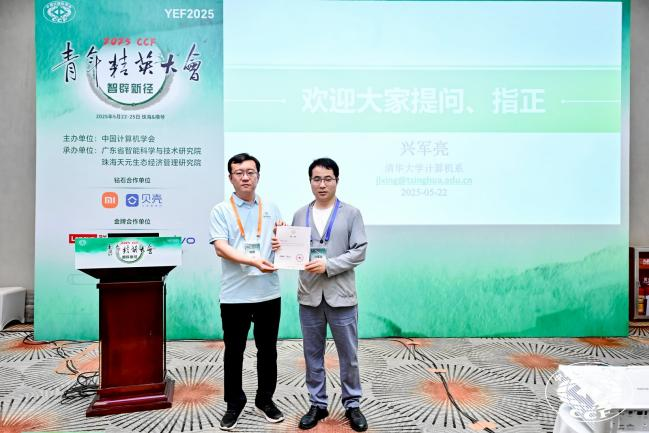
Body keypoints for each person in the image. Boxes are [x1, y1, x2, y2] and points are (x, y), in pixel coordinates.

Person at [274, 157, 368, 431]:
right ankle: (318, 403)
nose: (322, 184)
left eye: (328, 179)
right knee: (312, 354)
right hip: (310, 296)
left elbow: (359, 251)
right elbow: (293, 253)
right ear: (310, 182)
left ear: (337, 181)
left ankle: (352, 404)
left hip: (341, 296)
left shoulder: (352, 213)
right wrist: (280, 242)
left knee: (348, 356)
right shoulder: (299, 214)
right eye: (317, 179)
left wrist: (329, 265)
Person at [209, 153, 284, 431]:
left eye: (250, 172)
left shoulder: (272, 207)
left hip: (268, 293)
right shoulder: (221, 210)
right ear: (230, 178)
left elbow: (280, 243)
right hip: (235, 296)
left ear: (258, 176)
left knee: (268, 351)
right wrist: (253, 261)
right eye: (239, 173)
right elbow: (221, 247)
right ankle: (234, 403)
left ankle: (265, 400)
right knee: (234, 351)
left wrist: (283, 240)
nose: (245, 177)